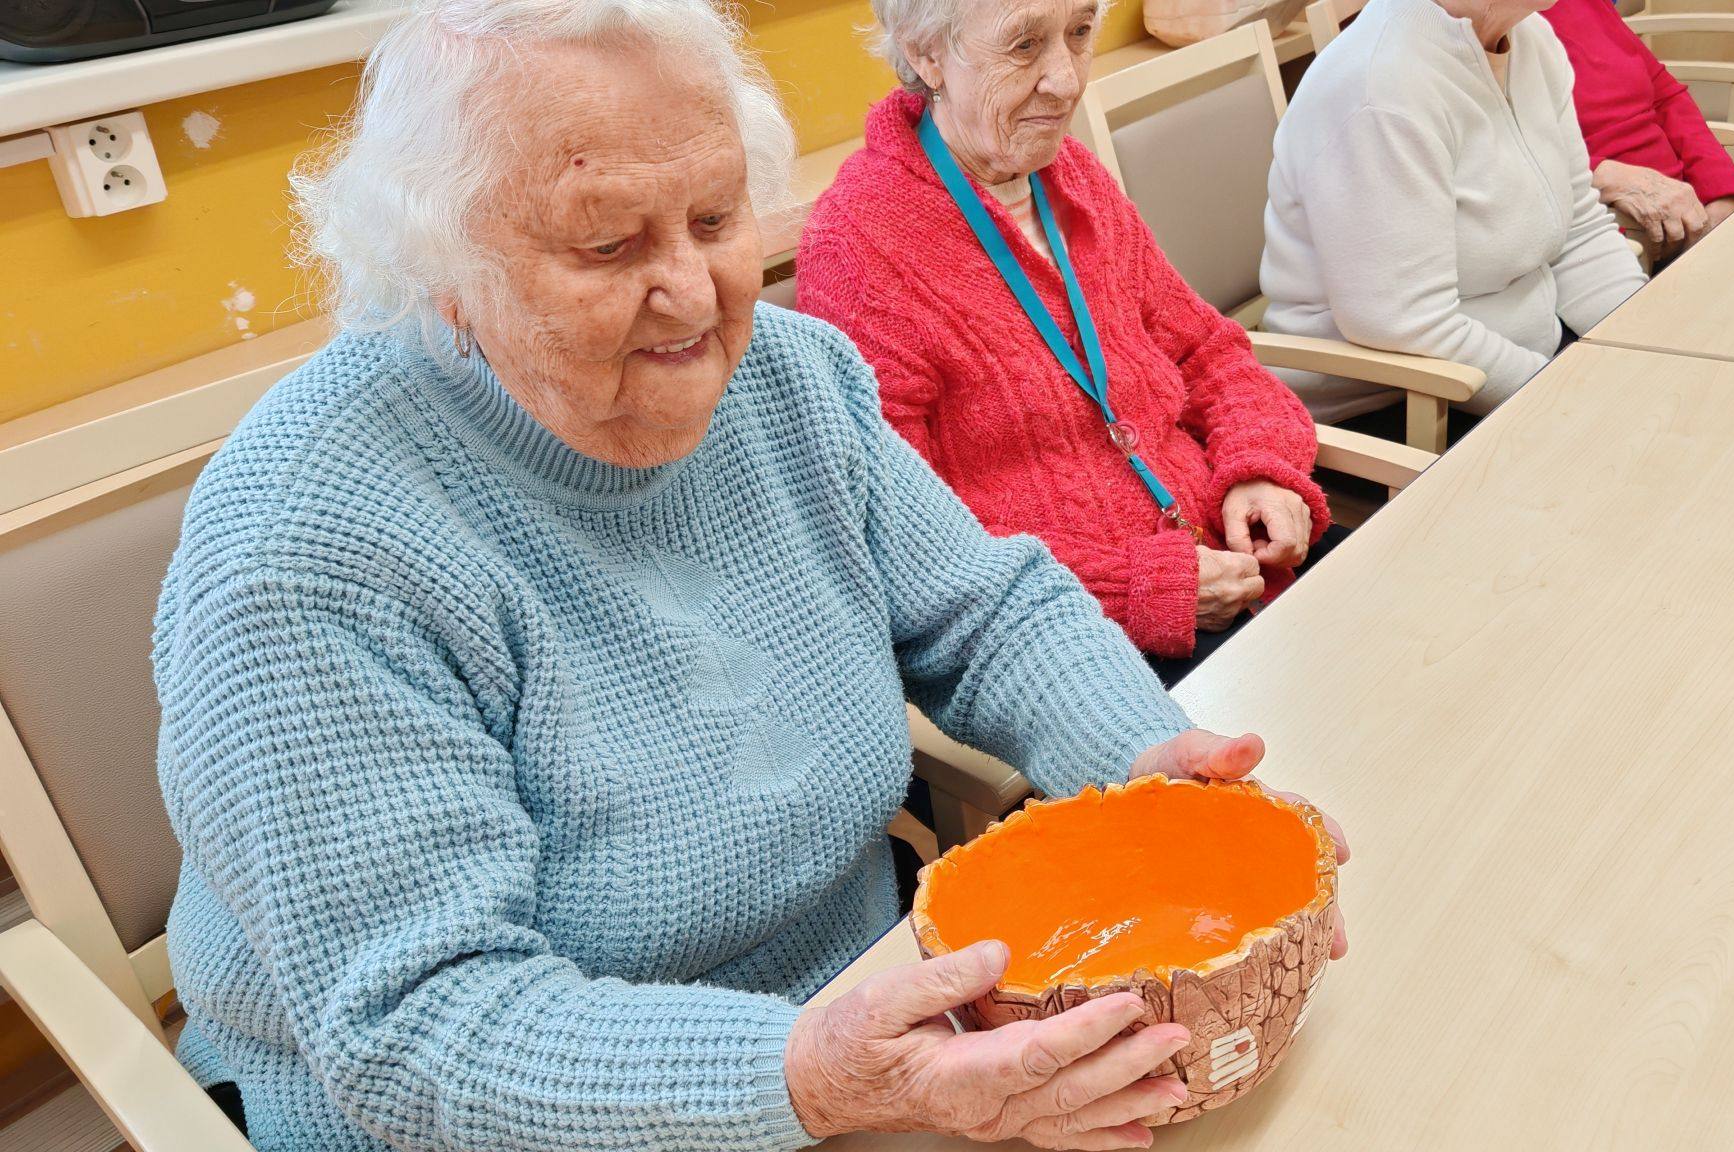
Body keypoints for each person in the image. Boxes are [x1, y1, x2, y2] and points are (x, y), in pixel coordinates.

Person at [152, 1, 1349, 1149]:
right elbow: (425, 1025)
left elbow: (989, 615)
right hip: (507, 1112)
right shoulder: (310, 547)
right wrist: (807, 1074)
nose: (693, 294)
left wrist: (1150, 770)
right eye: (607, 244)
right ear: (443, 266)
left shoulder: (791, 381)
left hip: (867, 1014)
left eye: (716, 218)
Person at [798, 0, 1340, 684]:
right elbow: (907, 540)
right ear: (926, 53)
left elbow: (1206, 350)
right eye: (1024, 45)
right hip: (1071, 651)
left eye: (1080, 33)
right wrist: (1140, 587)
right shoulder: (858, 250)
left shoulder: (1070, 177)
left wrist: (1260, 469)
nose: (1067, 79)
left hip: (1234, 558)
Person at [1262, 0, 1648, 420]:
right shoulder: (1380, 89)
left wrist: (1645, 345)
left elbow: (1581, 232)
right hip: (1398, 406)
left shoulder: (1531, 38)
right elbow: (1408, 325)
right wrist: (1569, 402)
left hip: (1529, 361)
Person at [1543, 0, 1734, 264]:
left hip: (1687, 213)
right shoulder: (1500, 25)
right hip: (1607, 231)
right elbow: (1505, 153)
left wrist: (1722, 193)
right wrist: (1603, 175)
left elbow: (1665, 95)